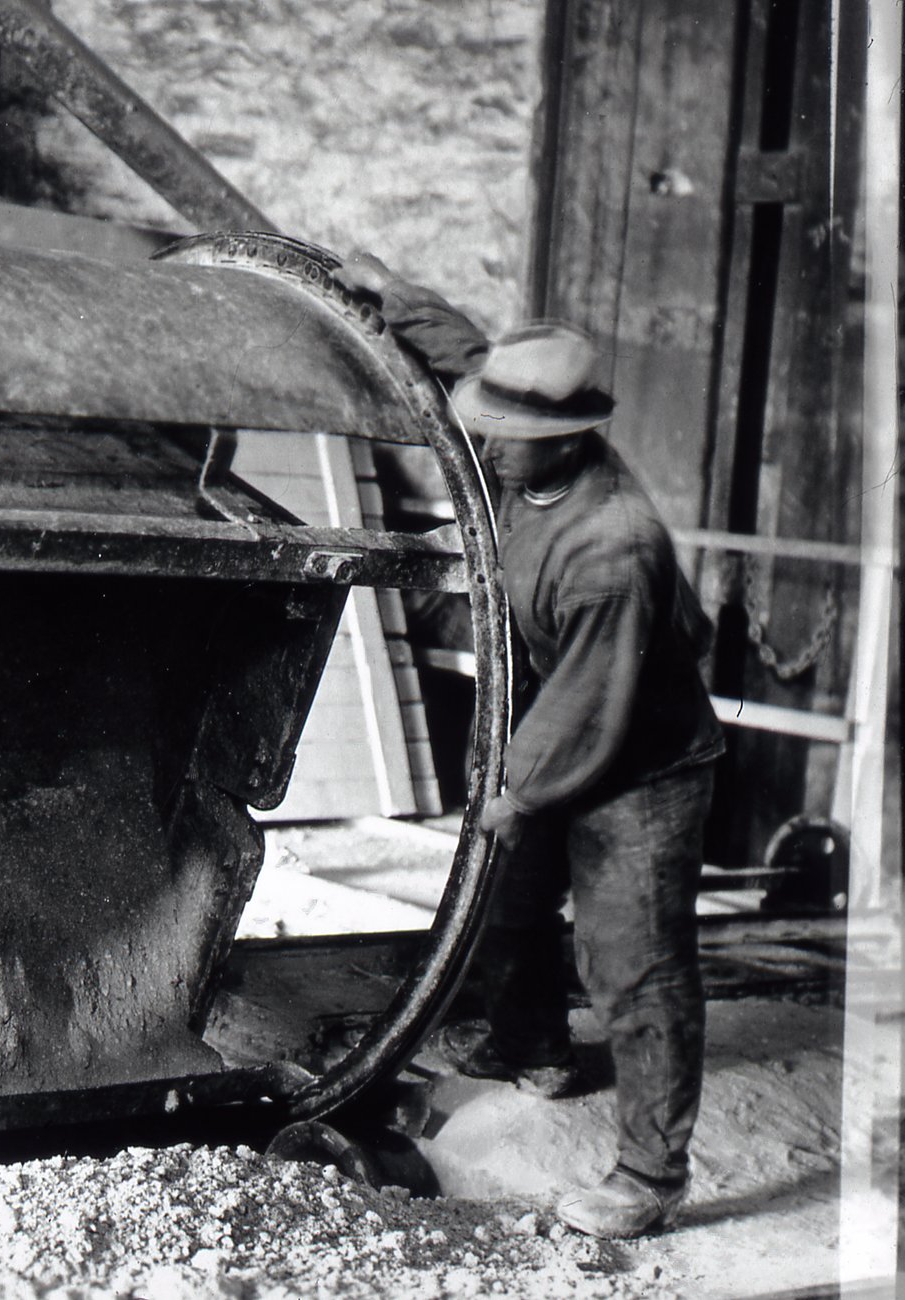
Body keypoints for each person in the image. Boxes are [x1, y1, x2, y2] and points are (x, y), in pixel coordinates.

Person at [334, 252, 725, 1240]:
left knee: (633, 961)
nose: (490, 446)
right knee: (505, 905)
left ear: (570, 441)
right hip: (562, 711)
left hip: (640, 761)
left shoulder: (612, 542)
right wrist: (390, 292)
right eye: (492, 425)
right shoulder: (522, 454)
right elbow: (472, 348)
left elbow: (594, 708)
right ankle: (534, 1049)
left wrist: (511, 790)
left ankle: (649, 1175)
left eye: (513, 437)